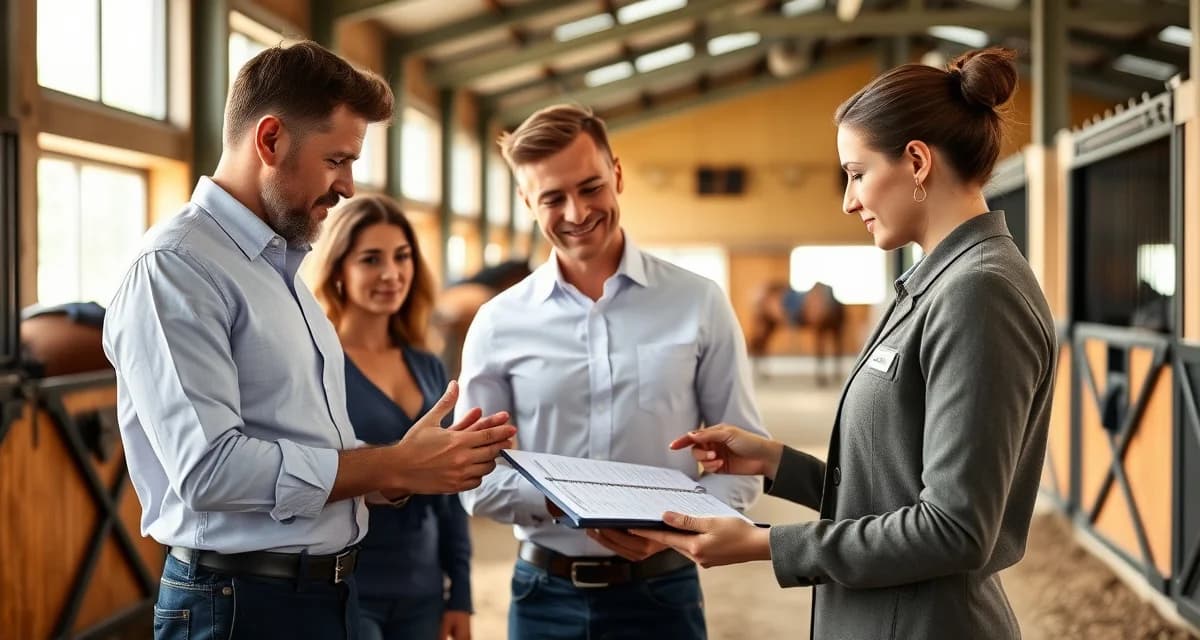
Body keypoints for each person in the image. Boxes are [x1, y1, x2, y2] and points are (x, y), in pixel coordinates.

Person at [633, 47, 1056, 640]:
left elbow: (955, 529)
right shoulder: (930, 282)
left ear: (916, 161)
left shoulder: (978, 291)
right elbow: (894, 486)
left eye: (856, 174)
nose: (848, 200)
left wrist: (766, 544)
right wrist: (779, 464)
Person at [102, 41, 515, 640]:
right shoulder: (176, 268)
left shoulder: (284, 272)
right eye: (337, 160)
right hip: (242, 603)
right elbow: (209, 471)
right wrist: (391, 463)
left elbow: (312, 449)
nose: (348, 186)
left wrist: (403, 472)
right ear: (270, 140)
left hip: (326, 593)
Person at [455, 104, 770, 639]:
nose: (577, 212)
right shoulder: (497, 322)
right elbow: (474, 476)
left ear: (617, 175)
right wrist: (564, 504)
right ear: (527, 202)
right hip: (542, 596)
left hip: (662, 591)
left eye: (591, 187)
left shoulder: (698, 303)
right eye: (553, 197)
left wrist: (675, 528)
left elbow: (746, 459)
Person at [308, 195, 473, 640]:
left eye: (402, 257)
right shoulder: (318, 364)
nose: (391, 273)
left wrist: (460, 592)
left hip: (422, 587)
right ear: (339, 269)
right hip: (349, 583)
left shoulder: (428, 365)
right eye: (370, 259)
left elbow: (450, 493)